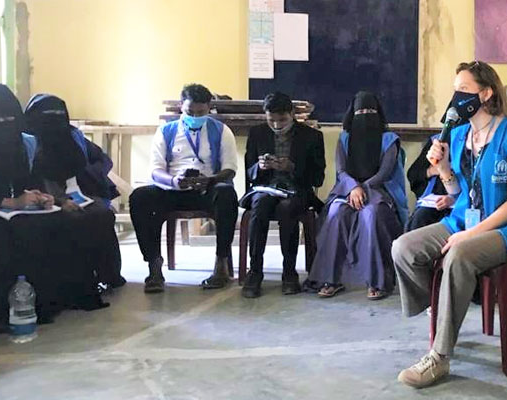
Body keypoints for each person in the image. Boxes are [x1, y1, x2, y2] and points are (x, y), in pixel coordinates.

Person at [392, 62, 507, 388]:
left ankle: (440, 356)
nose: (456, 97)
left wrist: (468, 235)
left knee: (458, 255)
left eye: (464, 90)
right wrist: (444, 168)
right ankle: (441, 307)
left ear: (485, 93)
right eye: (455, 89)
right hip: (462, 219)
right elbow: (459, 193)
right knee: (403, 248)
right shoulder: (459, 136)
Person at [129, 83, 239, 294]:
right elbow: (155, 170)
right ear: (181, 106)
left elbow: (230, 169)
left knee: (227, 195)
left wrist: (211, 180)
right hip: (172, 189)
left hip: (207, 189)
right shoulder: (166, 131)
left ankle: (221, 264)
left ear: (209, 108)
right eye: (190, 112)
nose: (195, 116)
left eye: (201, 112)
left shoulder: (222, 131)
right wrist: (174, 181)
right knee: (139, 197)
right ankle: (154, 265)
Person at [0, 83, 77, 326]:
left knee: (53, 223)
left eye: (8, 119)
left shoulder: (27, 143)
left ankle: (45, 302)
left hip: (14, 209)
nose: (2, 124)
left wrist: (43, 197)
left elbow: (31, 180)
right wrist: (12, 202)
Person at [25, 94, 125, 302]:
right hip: (43, 198)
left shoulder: (73, 136)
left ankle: (108, 275)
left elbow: (102, 159)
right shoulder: (27, 140)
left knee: (102, 214)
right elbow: (28, 180)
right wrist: (58, 201)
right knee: (73, 220)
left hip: (80, 193)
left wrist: (86, 173)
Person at [308, 91, 407, 300]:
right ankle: (330, 279)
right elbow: (341, 170)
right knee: (336, 214)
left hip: (379, 189)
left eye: (370, 111)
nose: (365, 115)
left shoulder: (390, 140)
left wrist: (364, 187)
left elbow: (385, 172)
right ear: (352, 114)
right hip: (347, 189)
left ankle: (378, 281)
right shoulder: (344, 138)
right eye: (360, 112)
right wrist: (353, 187)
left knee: (371, 215)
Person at [240, 92, 325, 298]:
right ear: (265, 116)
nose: (277, 125)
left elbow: (317, 178)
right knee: (260, 206)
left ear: (292, 114)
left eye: (282, 120)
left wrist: (292, 167)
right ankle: (255, 271)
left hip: (297, 190)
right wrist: (260, 167)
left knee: (287, 209)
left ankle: (289, 272)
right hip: (266, 188)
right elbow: (249, 172)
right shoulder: (257, 133)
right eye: (272, 120)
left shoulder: (311, 136)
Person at [405, 121, 455, 232]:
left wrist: (454, 198)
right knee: (419, 219)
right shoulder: (437, 142)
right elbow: (413, 173)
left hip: (462, 201)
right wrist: (432, 171)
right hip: (434, 200)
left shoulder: (473, 142)